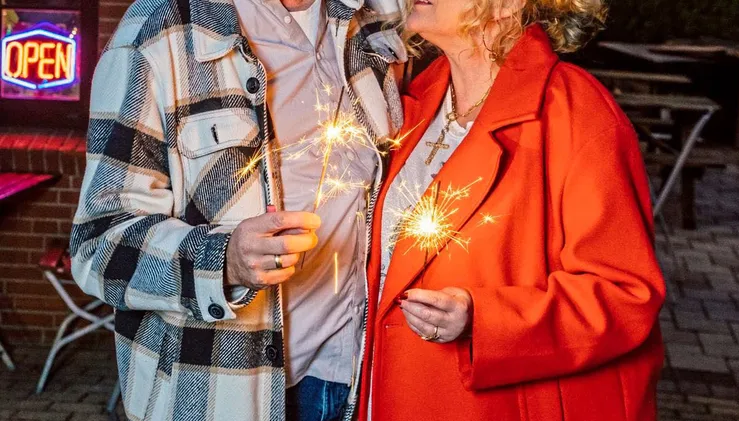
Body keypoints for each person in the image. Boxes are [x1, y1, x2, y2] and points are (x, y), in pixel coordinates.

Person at [70, 0, 405, 419]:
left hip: (352, 379)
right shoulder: (160, 28)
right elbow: (97, 246)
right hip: (222, 390)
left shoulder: (369, 20)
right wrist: (223, 261)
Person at [362, 0, 666, 420]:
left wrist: (484, 319)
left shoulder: (576, 111)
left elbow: (626, 294)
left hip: (491, 405)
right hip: (392, 393)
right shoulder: (414, 96)